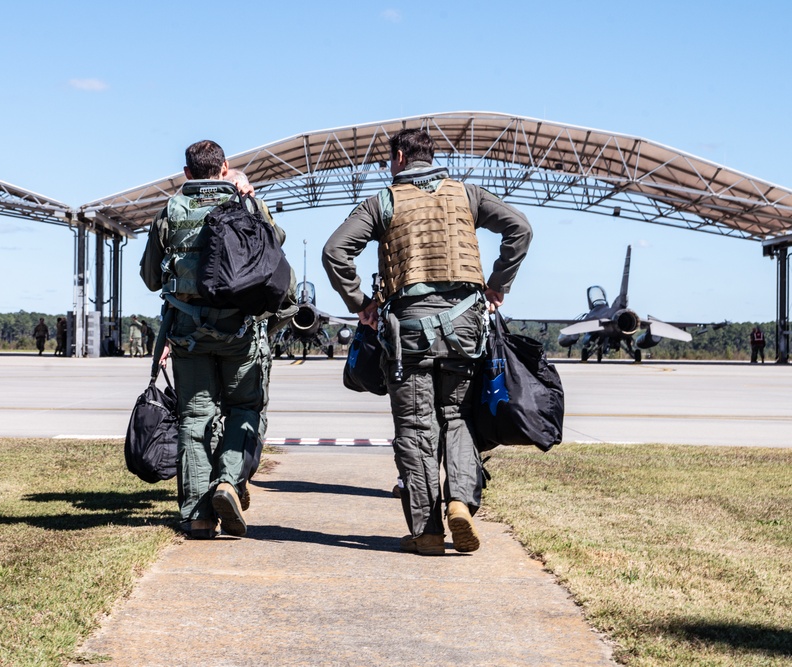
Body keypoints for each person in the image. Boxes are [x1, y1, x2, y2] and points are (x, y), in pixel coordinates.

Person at [322, 128, 532, 555]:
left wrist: (360, 302)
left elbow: (335, 251)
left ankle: (428, 531)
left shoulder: (382, 202)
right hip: (465, 329)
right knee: (456, 415)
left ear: (400, 156)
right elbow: (520, 229)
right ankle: (460, 502)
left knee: (417, 428)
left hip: (409, 331)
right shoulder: (467, 195)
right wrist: (496, 285)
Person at [140, 140, 290, 540]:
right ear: (224, 167)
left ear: (187, 173)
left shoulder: (170, 211)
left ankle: (199, 515)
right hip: (241, 331)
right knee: (244, 407)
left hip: (188, 332)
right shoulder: (248, 205)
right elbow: (275, 249)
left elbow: (152, 277)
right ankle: (228, 481)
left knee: (194, 416)